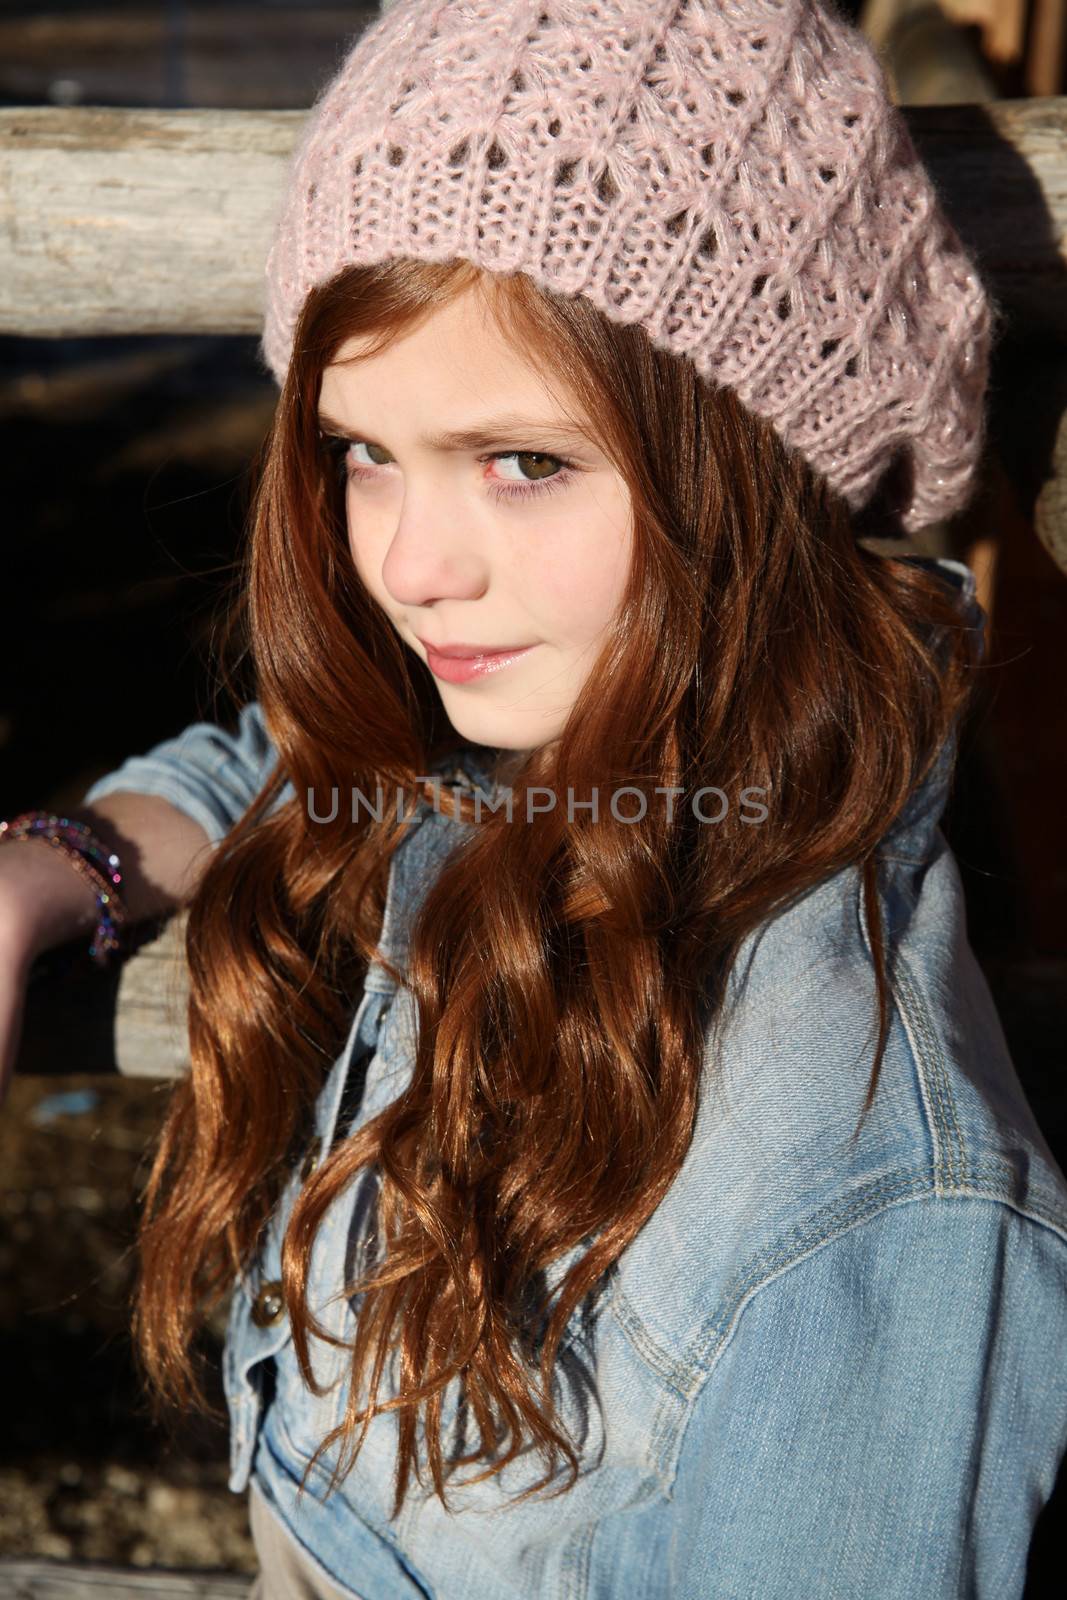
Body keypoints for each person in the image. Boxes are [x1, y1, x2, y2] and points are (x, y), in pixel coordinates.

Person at [2, 0, 1066, 1595]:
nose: (414, 570)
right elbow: (304, 766)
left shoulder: (861, 1201)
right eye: (365, 451)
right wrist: (63, 864)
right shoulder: (533, 734)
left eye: (523, 461)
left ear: (761, 466)